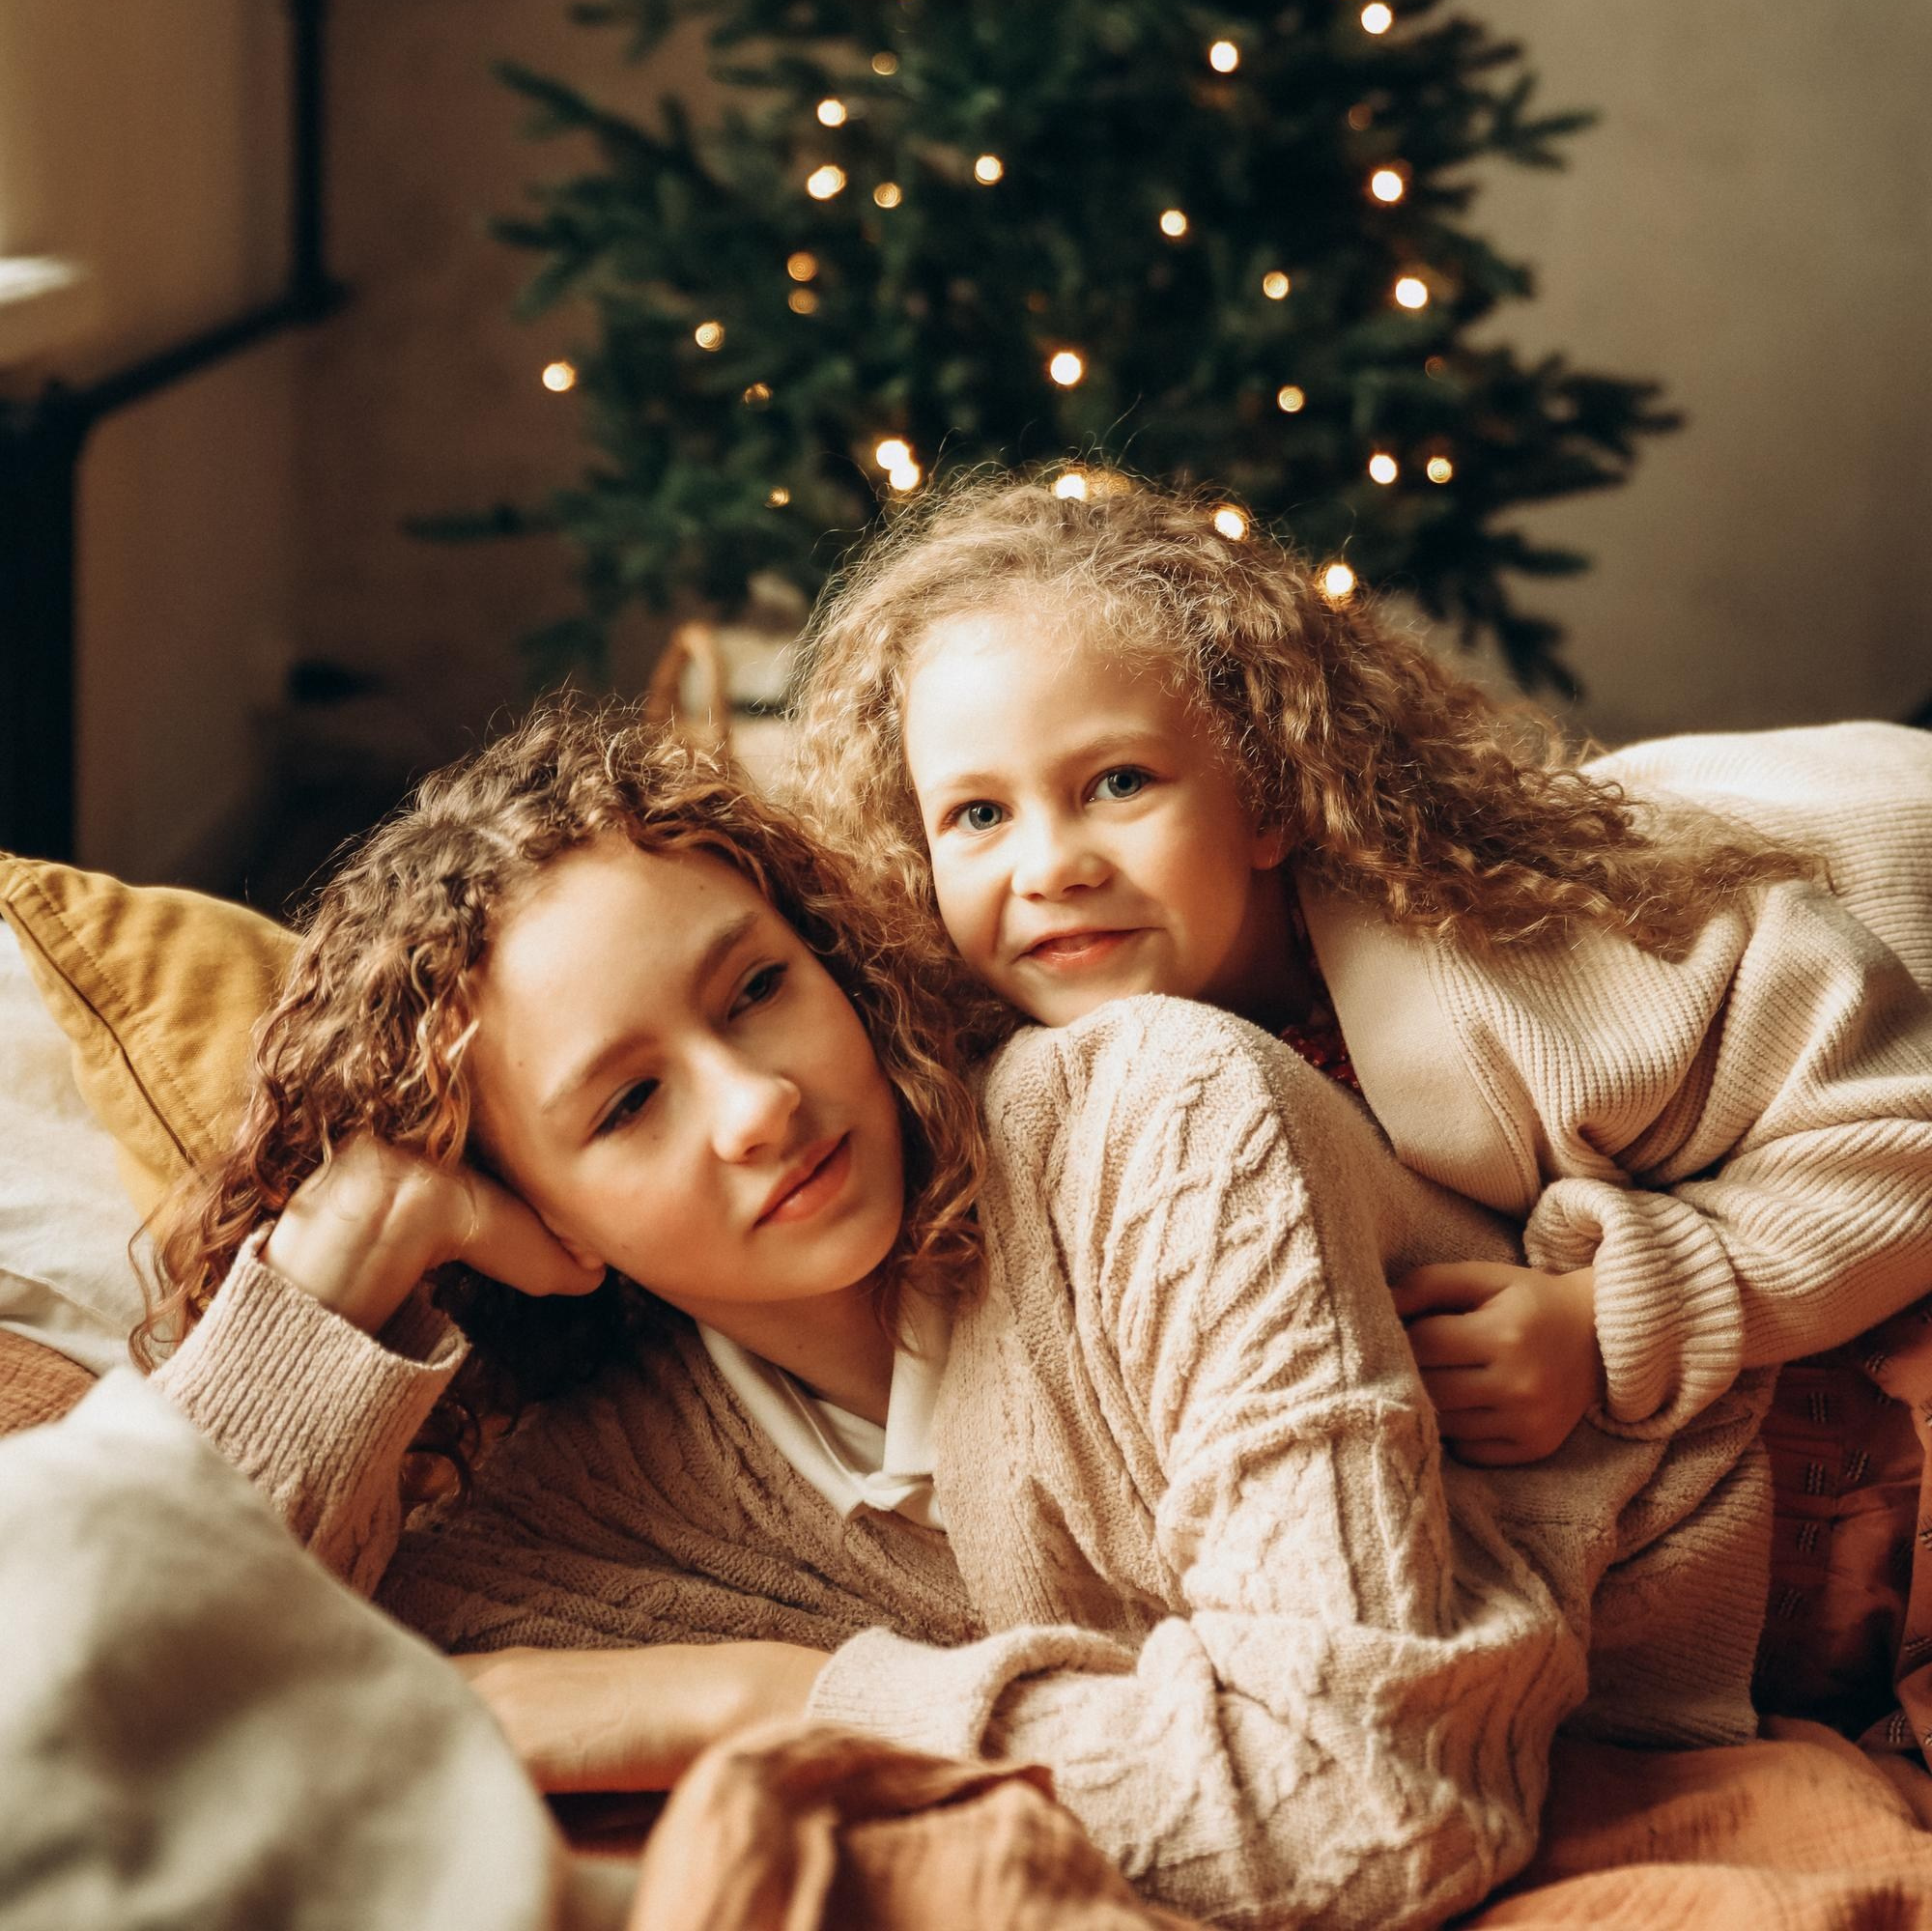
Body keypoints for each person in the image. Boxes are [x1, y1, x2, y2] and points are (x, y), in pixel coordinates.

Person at [145, 702, 1768, 1931]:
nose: (758, 1108)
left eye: (755, 992)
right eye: (628, 1103)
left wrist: (778, 1696)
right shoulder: (595, 1497)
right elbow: (127, 1692)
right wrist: (340, 1257)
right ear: (539, 1221)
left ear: (833, 963)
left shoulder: (1155, 1118)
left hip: (1849, 1531)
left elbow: (1374, 1805)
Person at [789, 470, 1932, 1468]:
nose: (1050, 866)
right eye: (977, 813)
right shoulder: (1001, 1051)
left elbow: (1909, 1136)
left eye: (1119, 783)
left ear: (1268, 795)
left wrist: (1600, 1322)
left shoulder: (1519, 979)